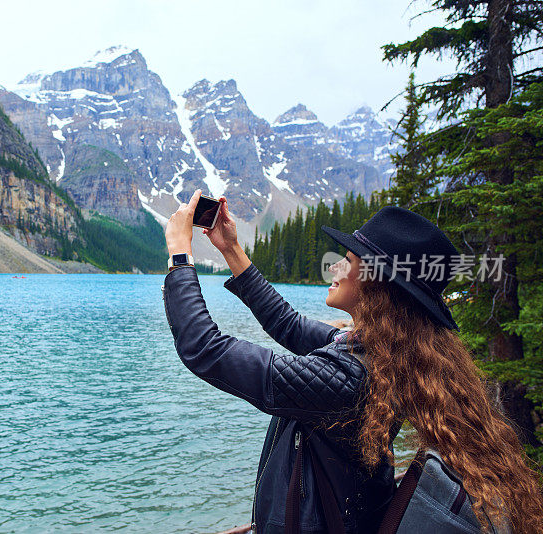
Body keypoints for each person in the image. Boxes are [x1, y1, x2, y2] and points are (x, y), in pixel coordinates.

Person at [162, 190, 543, 534]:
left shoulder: (347, 379)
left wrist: (181, 255)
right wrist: (231, 249)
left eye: (346, 260)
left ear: (377, 282)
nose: (334, 269)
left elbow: (205, 349)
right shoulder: (386, 355)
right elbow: (287, 324)